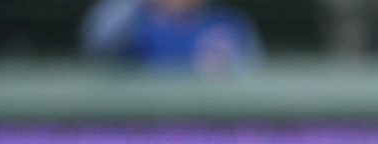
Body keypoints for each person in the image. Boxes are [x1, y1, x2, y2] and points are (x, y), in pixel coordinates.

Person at [80, 0, 262, 69]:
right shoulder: (134, 23)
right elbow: (96, 43)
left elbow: (255, 77)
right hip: (145, 127)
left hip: (211, 128)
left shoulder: (227, 24)